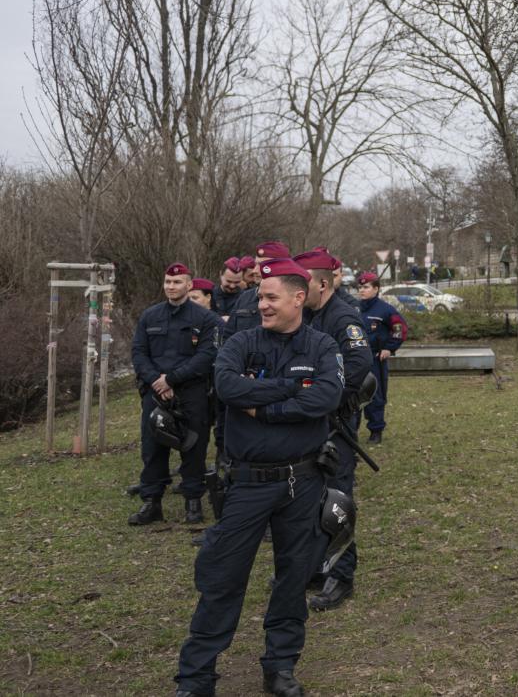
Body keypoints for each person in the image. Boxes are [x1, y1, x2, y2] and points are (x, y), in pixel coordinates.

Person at [173, 259, 342, 697]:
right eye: (260, 296)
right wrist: (291, 389)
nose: (261, 304)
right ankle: (196, 677)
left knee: (293, 578)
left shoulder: (322, 345)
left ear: (298, 298)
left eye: (270, 297)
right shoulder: (241, 340)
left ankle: (280, 666)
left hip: (303, 483)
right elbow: (227, 387)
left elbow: (326, 396)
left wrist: (265, 407)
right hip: (248, 484)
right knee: (222, 577)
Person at [295, 248, 373, 613]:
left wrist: (327, 395)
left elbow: (359, 363)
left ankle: (341, 575)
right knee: (310, 495)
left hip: (335, 422)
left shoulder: (342, 316)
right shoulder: (308, 316)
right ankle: (315, 566)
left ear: (322, 283)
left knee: (336, 498)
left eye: (302, 282)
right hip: (311, 421)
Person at [130, 263, 220, 526]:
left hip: (191, 392)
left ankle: (193, 502)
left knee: (193, 446)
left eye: (178, 282)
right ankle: (151, 502)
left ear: (189, 285)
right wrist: (156, 381)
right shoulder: (150, 316)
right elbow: (138, 352)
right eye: (168, 282)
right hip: (155, 392)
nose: (172, 287)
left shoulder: (206, 320)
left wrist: (171, 379)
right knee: (152, 447)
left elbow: (207, 356)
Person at [356, 272, 407, 444]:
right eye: (360, 287)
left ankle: (376, 430)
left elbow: (400, 328)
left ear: (376, 289)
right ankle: (350, 430)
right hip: (355, 359)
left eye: (366, 287)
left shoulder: (385, 310)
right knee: (352, 394)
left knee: (375, 395)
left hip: (375, 359)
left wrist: (389, 347)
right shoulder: (354, 308)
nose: (362, 290)